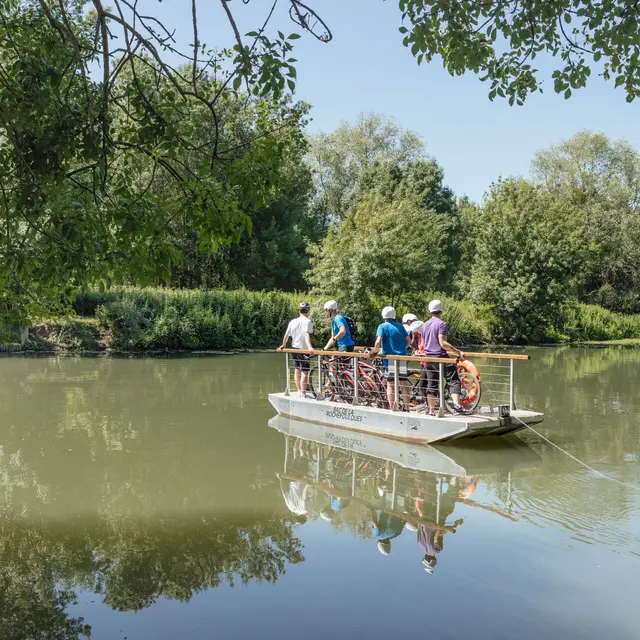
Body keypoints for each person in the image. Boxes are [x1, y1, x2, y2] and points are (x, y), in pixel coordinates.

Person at [420, 299, 465, 416]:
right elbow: (443, 343)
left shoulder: (424, 325)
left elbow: (424, 345)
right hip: (441, 357)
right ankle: (457, 405)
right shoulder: (441, 324)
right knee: (454, 380)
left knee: (432, 384)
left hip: (428, 358)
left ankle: (431, 411)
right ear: (441, 310)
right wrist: (457, 351)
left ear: (430, 310)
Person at [371, 306, 412, 411]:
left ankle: (393, 407)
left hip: (389, 359)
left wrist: (375, 351)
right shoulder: (400, 326)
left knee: (390, 384)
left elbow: (378, 341)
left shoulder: (382, 326)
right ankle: (406, 407)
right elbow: (409, 341)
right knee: (403, 382)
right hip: (401, 357)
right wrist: (404, 348)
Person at [277, 302, 314, 398]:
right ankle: (303, 393)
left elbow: (286, 335)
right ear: (307, 311)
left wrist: (283, 345)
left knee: (297, 370)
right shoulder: (307, 321)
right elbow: (307, 334)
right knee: (304, 372)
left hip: (294, 349)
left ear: (299, 310)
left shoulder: (292, 322)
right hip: (303, 349)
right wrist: (309, 347)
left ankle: (299, 390)